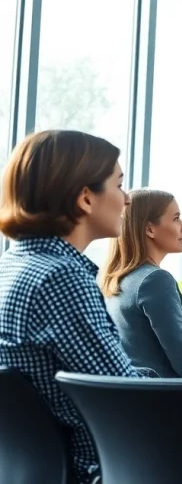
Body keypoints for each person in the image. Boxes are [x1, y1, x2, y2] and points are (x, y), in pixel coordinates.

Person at [0, 130, 143, 484]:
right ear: (85, 198)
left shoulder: (11, 267)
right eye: (119, 184)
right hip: (97, 471)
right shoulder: (59, 278)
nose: (126, 200)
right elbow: (125, 400)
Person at [101, 189, 182, 378]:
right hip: (165, 400)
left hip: (132, 400)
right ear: (150, 229)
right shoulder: (155, 280)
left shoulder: (116, 281)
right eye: (176, 219)